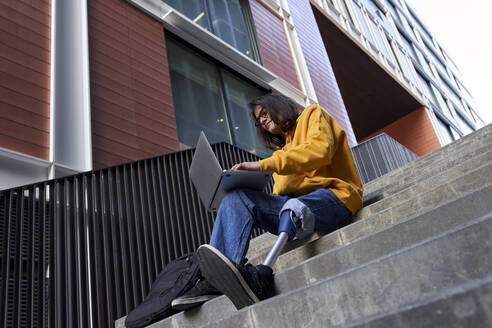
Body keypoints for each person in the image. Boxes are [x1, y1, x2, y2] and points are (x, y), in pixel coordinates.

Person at [171, 93, 363, 311]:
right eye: (258, 120)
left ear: (279, 105)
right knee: (237, 198)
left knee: (293, 206)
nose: (262, 120)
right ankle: (217, 277)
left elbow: (319, 151)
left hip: (336, 197)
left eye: (264, 113)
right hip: (297, 208)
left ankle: (251, 279)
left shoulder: (312, 114)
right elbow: (282, 192)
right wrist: (246, 185)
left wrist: (261, 166)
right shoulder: (282, 151)